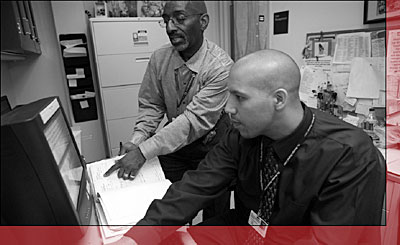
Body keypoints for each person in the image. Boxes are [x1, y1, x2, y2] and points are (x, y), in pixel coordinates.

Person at [120, 49, 386, 244]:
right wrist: (136, 238)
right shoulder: (243, 135)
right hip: (249, 229)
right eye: (228, 95)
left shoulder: (349, 154)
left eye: (239, 98)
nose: (228, 108)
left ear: (278, 99)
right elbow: (195, 186)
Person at [104, 0, 233, 219]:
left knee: (214, 216)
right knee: (171, 205)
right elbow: (152, 105)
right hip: (175, 144)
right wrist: (137, 140)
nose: (170, 27)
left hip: (210, 146)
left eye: (180, 19)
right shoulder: (159, 58)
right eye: (166, 20)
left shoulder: (220, 67)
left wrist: (143, 152)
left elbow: (193, 121)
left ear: (203, 22)